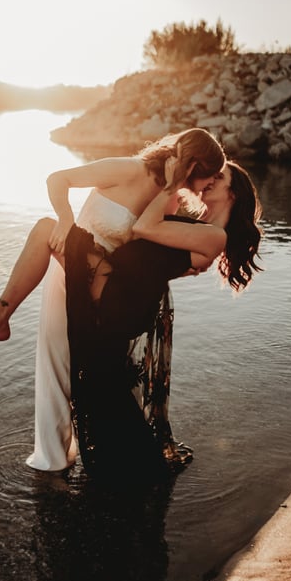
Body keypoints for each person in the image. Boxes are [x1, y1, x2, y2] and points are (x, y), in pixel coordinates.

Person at [0, 129, 226, 470]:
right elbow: (58, 178)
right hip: (68, 265)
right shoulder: (129, 169)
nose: (205, 187)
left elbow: (152, 249)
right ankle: (52, 459)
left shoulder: (169, 198)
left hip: (105, 288)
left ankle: (90, 451)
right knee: (56, 363)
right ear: (194, 164)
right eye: (208, 176)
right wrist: (66, 219)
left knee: (86, 369)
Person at [64, 159, 263, 483]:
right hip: (126, 302)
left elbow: (144, 229)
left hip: (121, 305)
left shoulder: (213, 236)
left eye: (219, 175)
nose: (211, 179)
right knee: (105, 385)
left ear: (234, 192)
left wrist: (172, 181)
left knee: (101, 384)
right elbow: (153, 252)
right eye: (212, 173)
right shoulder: (194, 226)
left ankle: (127, 479)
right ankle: (127, 473)